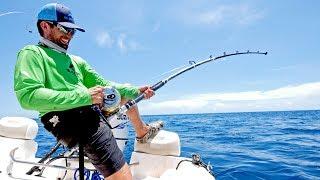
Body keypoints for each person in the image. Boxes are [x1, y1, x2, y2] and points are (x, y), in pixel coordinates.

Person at [14, 3, 163, 179]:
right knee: (122, 175)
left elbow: (105, 84)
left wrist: (135, 90)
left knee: (121, 95)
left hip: (89, 109)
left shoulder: (76, 61)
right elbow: (28, 97)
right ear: (45, 26)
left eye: (73, 31)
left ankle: (142, 132)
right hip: (69, 119)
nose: (69, 35)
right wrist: (85, 96)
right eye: (64, 29)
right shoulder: (32, 53)